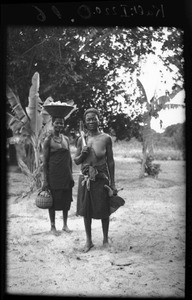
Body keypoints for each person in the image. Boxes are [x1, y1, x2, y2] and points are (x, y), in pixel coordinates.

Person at [74, 108, 117, 252]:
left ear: (99, 119)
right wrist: (83, 153)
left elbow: (110, 161)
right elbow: (77, 160)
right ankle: (89, 241)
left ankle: (105, 240)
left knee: (104, 209)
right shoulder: (82, 139)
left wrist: (113, 183)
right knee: (86, 210)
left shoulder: (106, 138)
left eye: (94, 118)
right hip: (85, 179)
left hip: (101, 178)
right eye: (88, 119)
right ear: (85, 123)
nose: (91, 121)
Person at [42, 116, 74, 235]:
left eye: (61, 123)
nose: (59, 125)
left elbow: (69, 159)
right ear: (53, 124)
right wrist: (45, 180)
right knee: (53, 201)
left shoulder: (65, 139)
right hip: (53, 175)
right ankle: (53, 226)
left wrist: (71, 175)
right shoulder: (48, 140)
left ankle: (65, 225)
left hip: (65, 174)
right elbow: (45, 162)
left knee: (66, 200)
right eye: (57, 123)